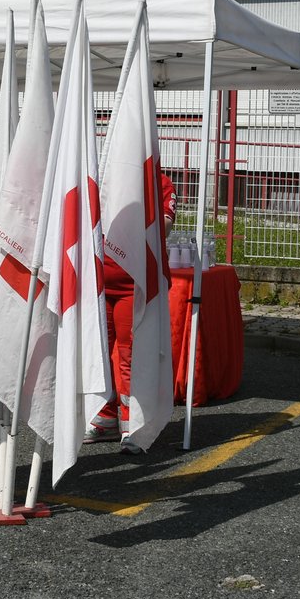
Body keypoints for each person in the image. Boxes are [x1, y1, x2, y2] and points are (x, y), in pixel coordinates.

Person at [87, 170, 176, 452]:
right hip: (99, 282)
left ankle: (133, 423)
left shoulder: (158, 182)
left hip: (133, 286)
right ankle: (105, 414)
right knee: (99, 352)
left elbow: (165, 224)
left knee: (129, 354)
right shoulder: (107, 175)